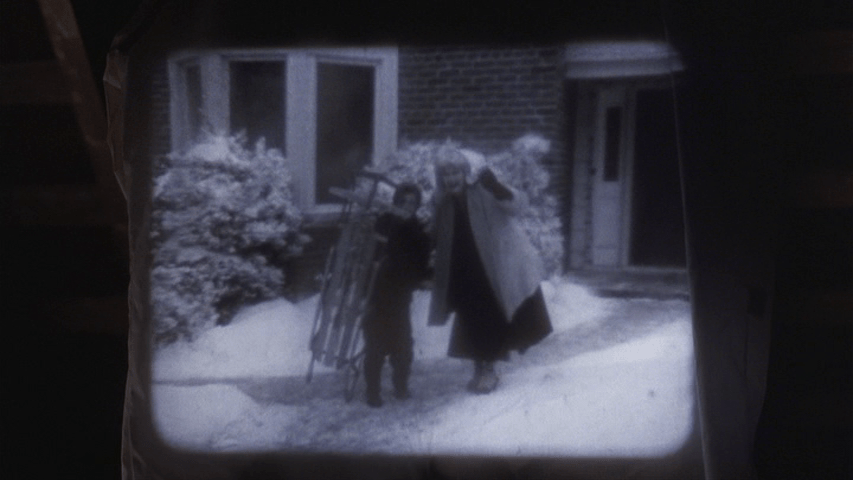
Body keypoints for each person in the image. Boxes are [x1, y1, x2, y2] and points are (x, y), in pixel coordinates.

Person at [428, 145, 552, 394]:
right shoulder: (441, 202)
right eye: (446, 175)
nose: (451, 179)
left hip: (491, 265)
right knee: (469, 320)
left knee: (489, 317)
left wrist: (496, 186)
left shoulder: (483, 190)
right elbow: (436, 234)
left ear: (465, 174)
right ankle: (479, 367)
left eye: (455, 173)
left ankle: (488, 370)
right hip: (462, 268)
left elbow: (518, 206)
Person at [361, 183, 432, 407]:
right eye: (403, 202)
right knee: (375, 346)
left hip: (401, 298)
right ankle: (373, 392)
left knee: (403, 346)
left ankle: (400, 386)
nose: (407, 207)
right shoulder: (384, 223)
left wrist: (426, 276)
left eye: (412, 203)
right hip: (377, 295)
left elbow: (420, 263)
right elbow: (371, 256)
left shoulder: (417, 229)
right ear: (395, 202)